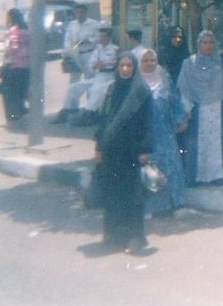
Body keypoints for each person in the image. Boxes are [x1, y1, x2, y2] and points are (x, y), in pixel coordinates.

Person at [94, 52, 152, 254]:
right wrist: (98, 147)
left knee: (132, 196)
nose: (125, 69)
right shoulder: (112, 89)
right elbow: (104, 120)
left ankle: (135, 238)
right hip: (111, 152)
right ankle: (114, 235)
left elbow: (147, 123)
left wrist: (145, 149)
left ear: (134, 68)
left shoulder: (141, 91)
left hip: (131, 152)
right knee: (113, 195)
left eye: (129, 66)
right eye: (122, 66)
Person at [177, 30, 223, 185]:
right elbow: (183, 86)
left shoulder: (222, 60)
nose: (208, 46)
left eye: (211, 42)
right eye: (204, 42)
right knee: (199, 144)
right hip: (198, 109)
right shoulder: (189, 63)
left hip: (217, 108)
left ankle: (217, 176)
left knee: (216, 144)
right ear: (198, 44)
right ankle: (199, 178)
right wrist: (187, 108)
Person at [140, 49, 187, 217]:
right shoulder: (137, 82)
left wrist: (180, 119)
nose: (150, 63)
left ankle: (176, 202)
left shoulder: (164, 77)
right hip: (144, 135)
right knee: (151, 169)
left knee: (171, 165)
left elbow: (175, 99)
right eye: (145, 61)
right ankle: (156, 207)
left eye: (153, 60)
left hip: (165, 132)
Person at [57, 22, 118, 126]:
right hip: (98, 76)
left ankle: (89, 114)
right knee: (73, 87)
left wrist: (104, 65)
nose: (102, 39)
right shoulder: (97, 50)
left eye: (104, 36)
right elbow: (92, 64)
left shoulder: (115, 49)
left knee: (95, 90)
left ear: (109, 37)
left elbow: (115, 64)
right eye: (101, 36)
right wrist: (98, 66)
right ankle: (67, 111)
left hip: (109, 78)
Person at [1, 8, 31, 130]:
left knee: (9, 95)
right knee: (20, 93)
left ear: (11, 17)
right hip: (25, 67)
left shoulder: (12, 31)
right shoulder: (28, 30)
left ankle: (13, 119)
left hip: (12, 66)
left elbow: (11, 49)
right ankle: (21, 115)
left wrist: (3, 63)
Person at [62, 4, 98, 84]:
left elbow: (98, 38)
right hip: (75, 54)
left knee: (90, 77)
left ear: (86, 12)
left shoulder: (93, 24)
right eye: (78, 12)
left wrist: (88, 40)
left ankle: (91, 96)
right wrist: (68, 50)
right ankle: (74, 96)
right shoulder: (72, 24)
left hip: (88, 53)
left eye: (82, 12)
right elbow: (67, 39)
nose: (80, 14)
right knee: (74, 79)